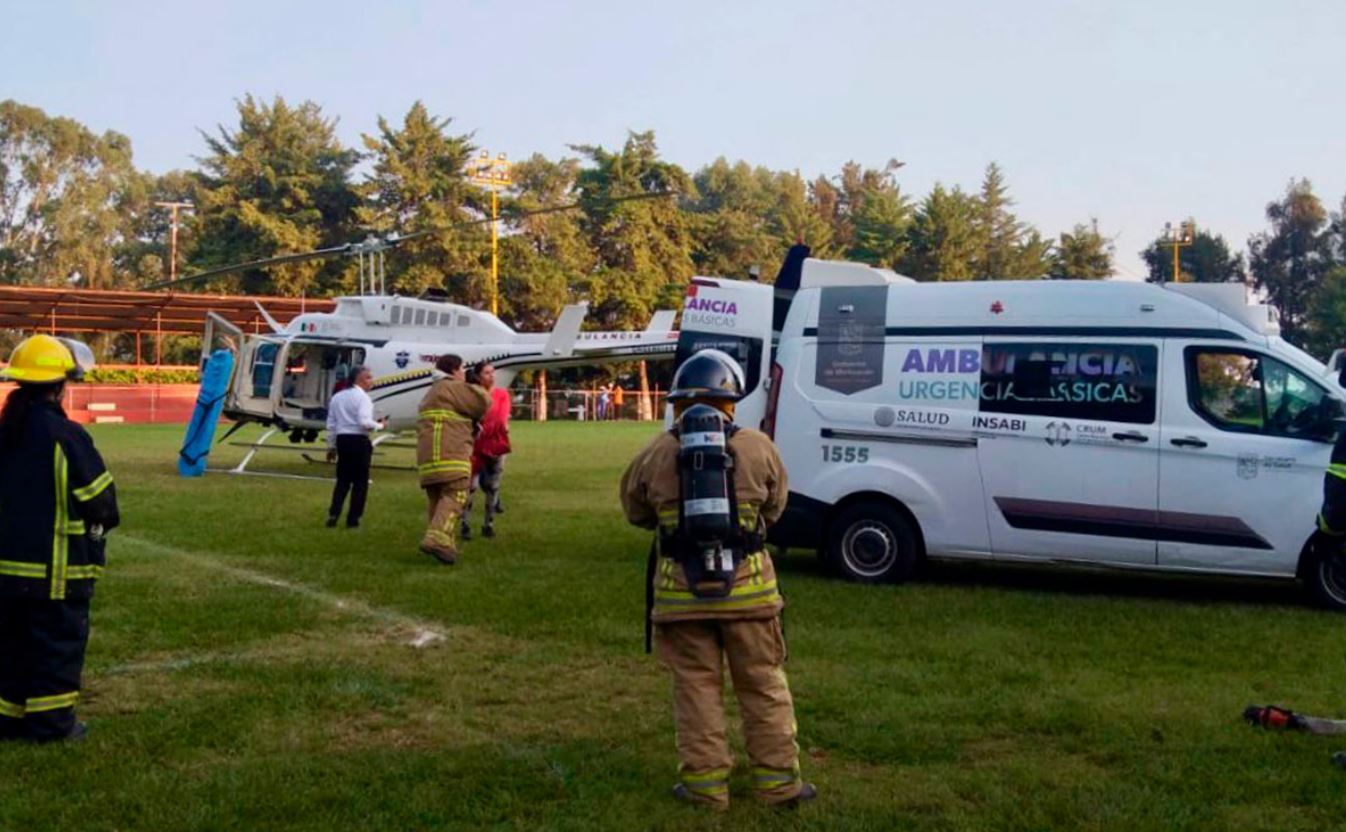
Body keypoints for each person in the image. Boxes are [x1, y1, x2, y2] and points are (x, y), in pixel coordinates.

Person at [619, 349, 815, 810]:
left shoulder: (655, 452)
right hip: (751, 596)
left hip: (680, 597)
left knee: (696, 689)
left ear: (678, 403)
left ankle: (705, 789)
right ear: (730, 400)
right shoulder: (758, 447)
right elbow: (775, 507)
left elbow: (634, 510)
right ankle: (779, 785)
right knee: (763, 685)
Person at [0, 335, 119, 743]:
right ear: (59, 385)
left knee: (13, 647)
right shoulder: (65, 436)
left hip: (7, 569)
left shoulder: (6, 433)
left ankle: (10, 719)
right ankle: (52, 726)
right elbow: (101, 502)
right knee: (56, 648)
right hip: (57, 570)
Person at [417, 354, 490, 565]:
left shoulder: (431, 392)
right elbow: (483, 403)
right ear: (454, 370)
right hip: (450, 454)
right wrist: (473, 384)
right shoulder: (452, 388)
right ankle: (435, 538)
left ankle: (446, 547)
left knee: (438, 500)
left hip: (428, 458)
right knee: (457, 494)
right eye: (462, 369)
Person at [325, 366, 384, 529]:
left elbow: (331, 424)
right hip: (358, 440)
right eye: (368, 377)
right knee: (360, 482)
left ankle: (334, 513)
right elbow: (364, 422)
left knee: (342, 480)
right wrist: (380, 425)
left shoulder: (337, 397)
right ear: (359, 379)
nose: (371, 381)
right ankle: (353, 518)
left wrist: (331, 446)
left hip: (342, 439)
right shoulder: (363, 398)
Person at [461, 361, 511, 541]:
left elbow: (502, 418)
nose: (491, 376)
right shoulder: (473, 395)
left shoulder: (502, 394)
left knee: (493, 485)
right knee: (471, 485)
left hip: (496, 443)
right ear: (478, 376)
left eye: (492, 372)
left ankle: (488, 524)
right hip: (476, 443)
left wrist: (503, 430)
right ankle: (464, 523)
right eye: (487, 373)